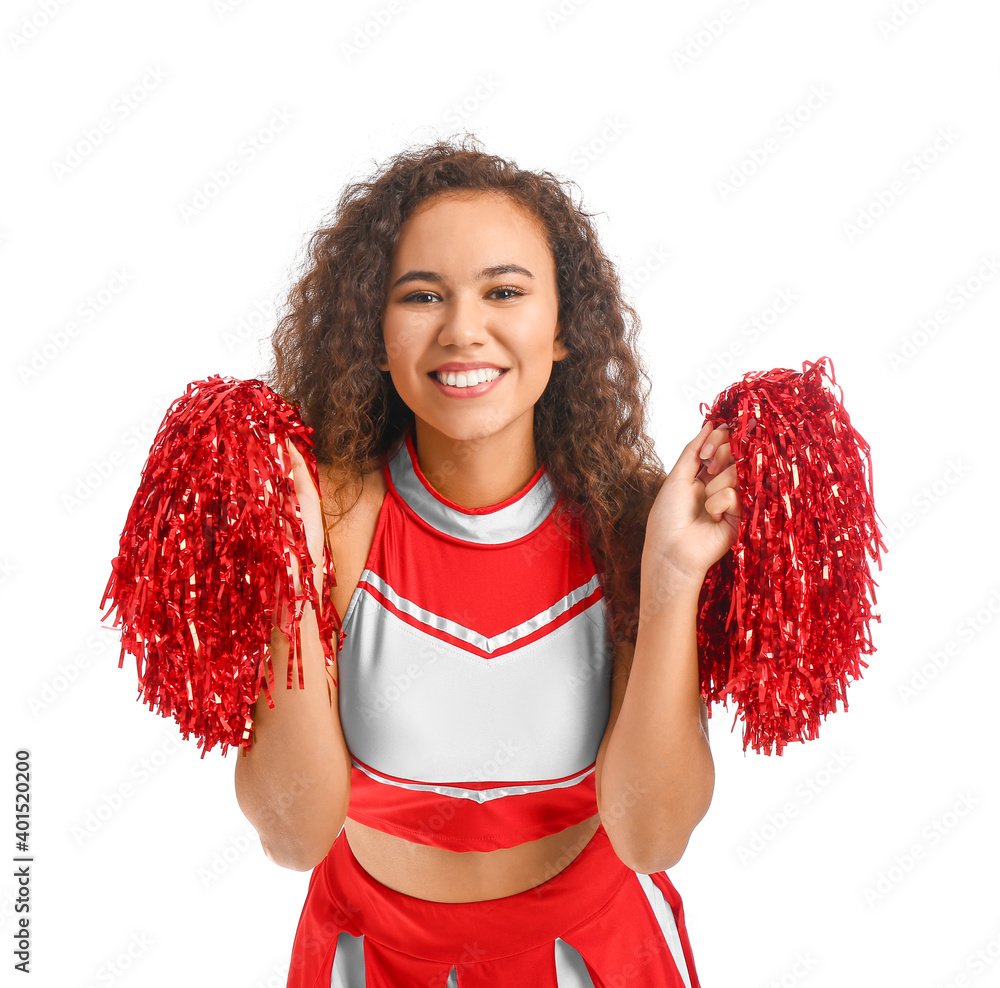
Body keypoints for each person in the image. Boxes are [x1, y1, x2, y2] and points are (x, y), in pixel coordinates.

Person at [234, 135, 739, 987]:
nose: (464, 330)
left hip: (595, 956)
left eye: (504, 290)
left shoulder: (631, 530)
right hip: (366, 956)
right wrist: (290, 577)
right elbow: (294, 835)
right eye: (422, 295)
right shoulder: (331, 517)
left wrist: (673, 576)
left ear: (565, 330)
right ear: (376, 333)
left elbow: (653, 836)